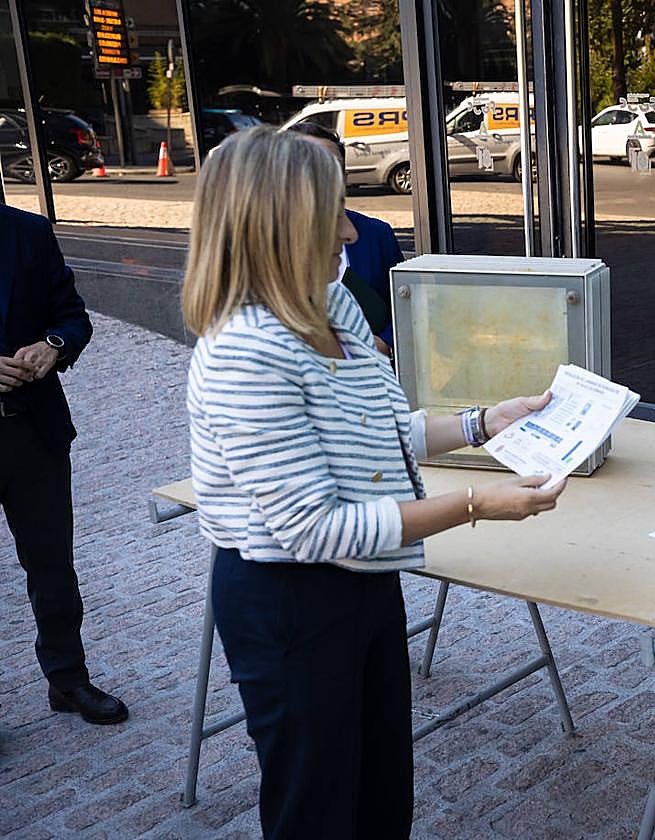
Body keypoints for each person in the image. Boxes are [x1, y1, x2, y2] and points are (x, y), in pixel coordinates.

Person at [183, 126, 566, 839]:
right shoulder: (243, 351)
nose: (347, 230)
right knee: (320, 809)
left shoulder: (331, 306)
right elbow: (314, 527)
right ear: (280, 224)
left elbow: (376, 438)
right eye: (330, 212)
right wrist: (477, 503)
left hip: (364, 581)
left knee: (382, 790)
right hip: (291, 601)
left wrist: (486, 422)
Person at [0, 204, 128, 725]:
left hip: (35, 432)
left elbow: (72, 317)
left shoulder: (27, 231)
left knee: (52, 566)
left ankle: (68, 680)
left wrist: (54, 345)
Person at [288, 120, 403, 353]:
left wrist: (385, 343)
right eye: (312, 167)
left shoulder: (376, 234)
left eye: (332, 167)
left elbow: (404, 305)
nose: (349, 235)